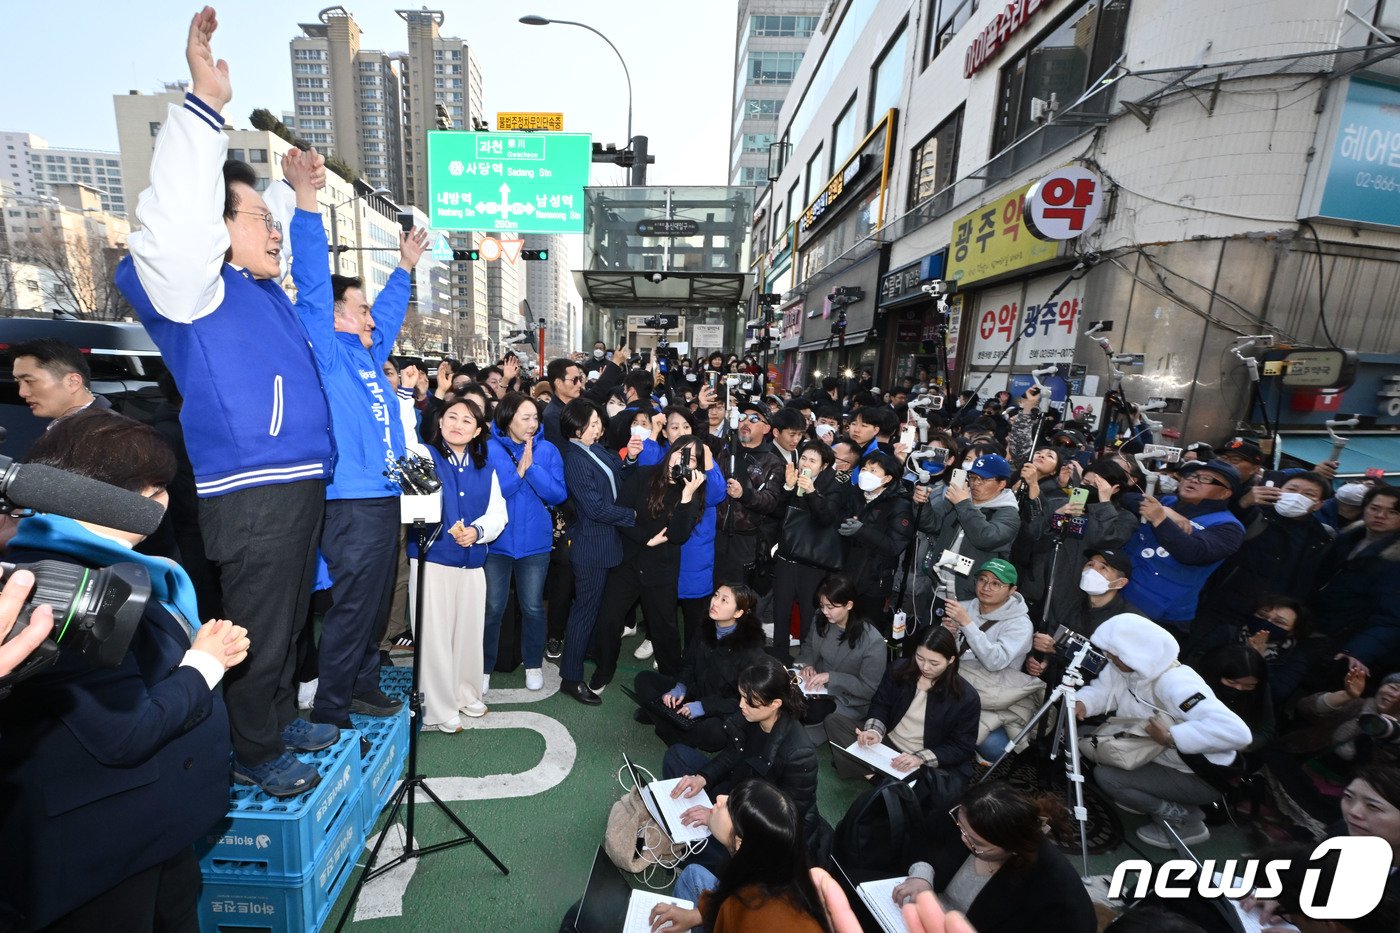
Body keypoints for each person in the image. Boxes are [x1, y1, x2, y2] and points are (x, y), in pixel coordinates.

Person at [113, 10, 335, 796]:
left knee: (287, 622)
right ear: (217, 230)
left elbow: (260, 215)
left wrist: (295, 191)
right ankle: (255, 745)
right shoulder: (192, 288)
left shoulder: (254, 288)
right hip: (254, 492)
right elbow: (176, 223)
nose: (273, 230)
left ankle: (275, 716)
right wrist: (205, 108)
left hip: (296, 483)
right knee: (260, 627)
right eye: (260, 220)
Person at [0, 409, 249, 927]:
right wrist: (205, 663)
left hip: (151, 831)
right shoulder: (64, 588)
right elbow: (125, 733)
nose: (159, 503)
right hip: (100, 856)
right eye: (152, 489)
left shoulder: (90, 562)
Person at [285, 220, 425, 731]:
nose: (372, 316)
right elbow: (315, 286)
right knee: (351, 610)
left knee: (374, 604)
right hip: (350, 501)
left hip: (384, 497)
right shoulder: (327, 353)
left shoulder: (367, 353)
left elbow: (386, 312)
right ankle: (330, 712)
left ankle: (363, 684)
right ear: (336, 318)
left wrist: (406, 265)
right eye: (360, 309)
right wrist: (304, 202)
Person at [1076, 613, 1252, 848]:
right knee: (1087, 736)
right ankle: (1145, 792)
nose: (1109, 657)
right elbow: (1105, 690)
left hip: (1197, 774)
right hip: (1162, 757)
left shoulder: (1177, 683)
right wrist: (1083, 702)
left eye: (1114, 653)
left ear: (1134, 654)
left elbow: (1237, 732)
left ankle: (1187, 820)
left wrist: (1172, 738)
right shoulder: (1128, 669)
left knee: (1109, 778)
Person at [665, 657, 825, 867]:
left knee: (715, 857)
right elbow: (732, 754)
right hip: (737, 790)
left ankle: (697, 844)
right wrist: (702, 778)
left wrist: (721, 818)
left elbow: (781, 820)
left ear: (775, 704)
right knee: (676, 756)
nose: (741, 705)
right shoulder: (750, 715)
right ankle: (692, 836)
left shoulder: (799, 753)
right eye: (740, 696)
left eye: (749, 701)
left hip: (758, 821)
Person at [409, 399, 507, 732]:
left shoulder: (485, 466)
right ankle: (437, 708)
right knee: (433, 637)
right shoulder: (423, 455)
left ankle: (466, 693)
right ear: (438, 422)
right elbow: (413, 504)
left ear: (479, 430)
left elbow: (498, 514)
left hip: (473, 562)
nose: (457, 424)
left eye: (467, 420)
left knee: (468, 633)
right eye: (451, 417)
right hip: (433, 560)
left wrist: (478, 532)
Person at [891, 781, 1097, 933]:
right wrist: (922, 874)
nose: (963, 838)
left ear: (1014, 847)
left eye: (977, 844)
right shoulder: (970, 813)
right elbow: (926, 837)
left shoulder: (1055, 889)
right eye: (961, 828)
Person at [588, 438, 708, 689]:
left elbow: (677, 536)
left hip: (661, 569)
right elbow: (619, 514)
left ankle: (671, 685)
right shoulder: (643, 475)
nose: (682, 460)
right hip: (629, 561)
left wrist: (686, 496)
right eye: (679, 452)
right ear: (670, 452)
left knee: (665, 631)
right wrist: (646, 539)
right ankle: (604, 669)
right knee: (609, 620)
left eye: (692, 458)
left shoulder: (692, 494)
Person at [647, 780, 830, 933]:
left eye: (729, 807)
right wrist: (695, 915)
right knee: (693, 875)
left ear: (740, 843)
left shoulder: (747, 912)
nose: (719, 798)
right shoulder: (775, 872)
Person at [1189, 471, 1333, 659]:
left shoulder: (1322, 539)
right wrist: (1243, 502)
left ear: (1318, 505)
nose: (1298, 496)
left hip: (1268, 622)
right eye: (1292, 489)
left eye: (1309, 494)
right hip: (1219, 610)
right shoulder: (1255, 514)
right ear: (1278, 490)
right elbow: (1217, 524)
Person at [484, 393, 567, 693]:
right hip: (496, 543)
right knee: (493, 608)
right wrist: (519, 471)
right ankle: (484, 667)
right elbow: (489, 496)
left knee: (532, 607)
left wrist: (532, 467)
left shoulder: (548, 451)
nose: (532, 424)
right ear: (507, 418)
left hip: (535, 545)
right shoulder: (489, 449)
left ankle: (533, 664)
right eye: (525, 417)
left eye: (535, 418)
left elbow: (558, 495)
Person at [825, 626, 978, 790]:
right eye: (920, 657)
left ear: (951, 660)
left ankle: (868, 771)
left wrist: (919, 758)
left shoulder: (966, 697)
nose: (925, 667)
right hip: (887, 743)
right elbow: (881, 704)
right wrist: (874, 732)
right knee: (833, 722)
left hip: (921, 756)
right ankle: (882, 780)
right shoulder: (899, 669)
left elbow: (961, 746)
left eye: (934, 663)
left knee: (948, 789)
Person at [559, 398, 637, 706]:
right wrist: (632, 516)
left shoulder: (595, 450)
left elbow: (617, 470)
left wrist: (629, 458)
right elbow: (593, 508)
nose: (599, 427)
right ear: (577, 429)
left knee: (595, 610)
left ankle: (585, 654)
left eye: (598, 422)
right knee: (584, 612)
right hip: (592, 547)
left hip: (608, 544)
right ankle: (571, 677)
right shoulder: (575, 459)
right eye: (593, 424)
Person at [633, 584, 767, 751]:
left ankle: (666, 721)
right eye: (716, 595)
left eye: (724, 600)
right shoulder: (706, 626)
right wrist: (680, 687)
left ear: (738, 613)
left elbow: (740, 702)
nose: (715, 602)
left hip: (717, 709)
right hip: (694, 693)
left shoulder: (750, 650)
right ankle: (673, 726)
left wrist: (704, 707)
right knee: (644, 680)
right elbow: (688, 663)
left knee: (715, 733)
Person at [1121, 459, 1246, 635]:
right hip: (1118, 589)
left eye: (1206, 479)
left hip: (1160, 615)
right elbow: (1127, 498)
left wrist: (1160, 519)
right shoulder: (1168, 501)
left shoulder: (1229, 527)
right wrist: (1166, 510)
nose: (1193, 480)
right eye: (1191, 475)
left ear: (1225, 493)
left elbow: (1193, 553)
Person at [942, 559, 1041, 761]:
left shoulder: (1021, 624)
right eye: (982, 580)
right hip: (956, 683)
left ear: (1012, 590)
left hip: (991, 693)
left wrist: (966, 624)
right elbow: (944, 654)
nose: (986, 587)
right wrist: (948, 634)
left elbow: (995, 661)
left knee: (994, 748)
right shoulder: (963, 607)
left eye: (996, 583)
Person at [1309, 485, 1400, 678]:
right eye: (1375, 508)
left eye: (1392, 511)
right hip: (1313, 625)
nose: (1381, 515)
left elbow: (1391, 618)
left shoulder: (1395, 560)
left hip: (1346, 642)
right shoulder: (1348, 537)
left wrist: (1358, 650)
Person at [793, 575, 889, 741]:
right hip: (816, 688)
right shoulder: (821, 618)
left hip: (848, 700)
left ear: (849, 605)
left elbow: (868, 690)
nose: (825, 611)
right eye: (822, 606)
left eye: (830, 607)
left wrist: (832, 678)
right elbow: (808, 646)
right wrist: (807, 665)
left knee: (807, 711)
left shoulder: (872, 641)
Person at [913, 454, 1020, 602]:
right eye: (972, 477)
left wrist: (963, 504)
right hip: (938, 585)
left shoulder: (1008, 513)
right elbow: (931, 525)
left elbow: (986, 538)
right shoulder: (960, 498)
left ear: (1001, 484)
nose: (975, 483)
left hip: (971, 597)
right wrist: (922, 504)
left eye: (983, 479)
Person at [1027, 548, 1138, 680]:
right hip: (1054, 685)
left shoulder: (1128, 621)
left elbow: (1115, 669)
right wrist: (1040, 660)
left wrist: (1059, 650)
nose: (1092, 571)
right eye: (1090, 564)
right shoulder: (1068, 601)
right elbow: (1051, 638)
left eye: (1103, 568)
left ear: (1120, 582)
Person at [839, 450, 915, 634]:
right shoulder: (854, 494)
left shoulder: (899, 505)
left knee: (867, 630)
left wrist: (862, 530)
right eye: (864, 468)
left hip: (875, 578)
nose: (866, 474)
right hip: (846, 573)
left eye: (874, 471)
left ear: (887, 478)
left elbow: (894, 545)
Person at [715, 403, 788, 588]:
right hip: (714, 534)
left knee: (737, 594)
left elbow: (771, 501)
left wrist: (744, 494)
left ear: (766, 428)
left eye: (754, 419)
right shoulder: (725, 451)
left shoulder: (772, 462)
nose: (746, 422)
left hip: (746, 539)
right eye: (742, 417)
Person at [8, 337, 110, 424]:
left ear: (73, 382)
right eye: (18, 382)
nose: (22, 393)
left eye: (29, 381)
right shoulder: (77, 429)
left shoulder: (107, 435)